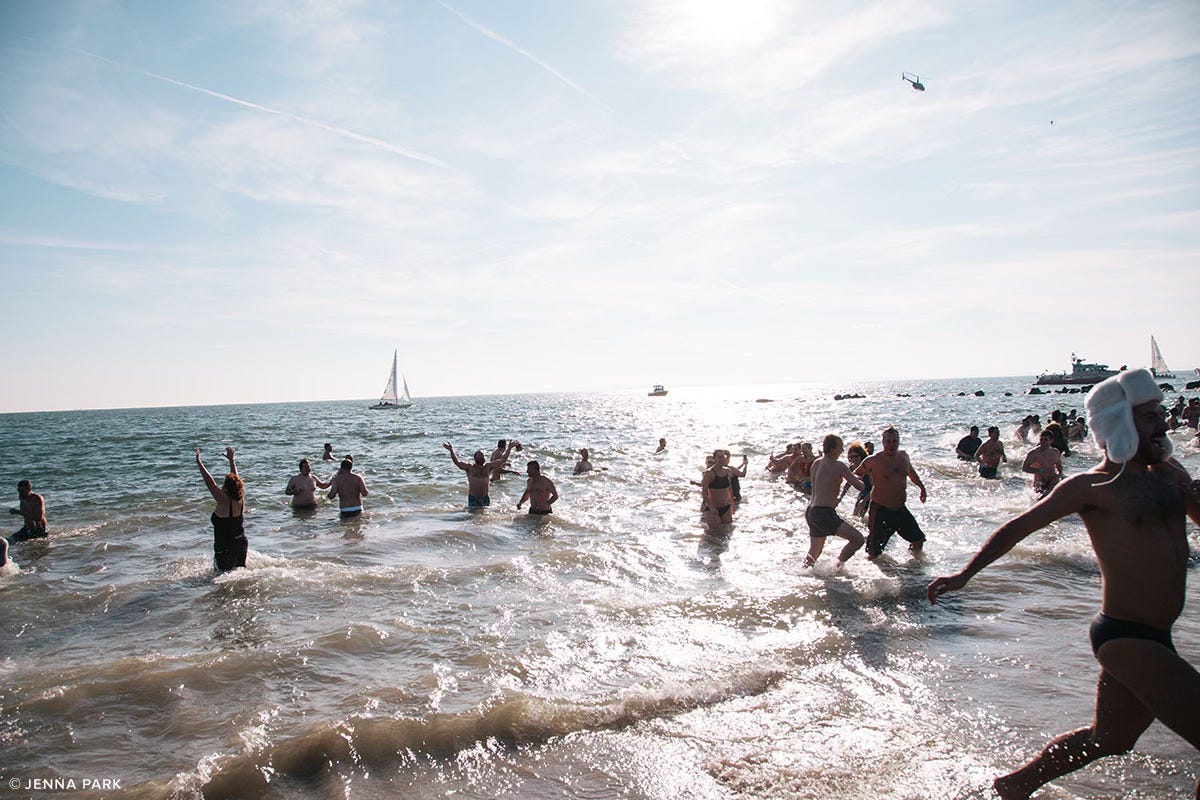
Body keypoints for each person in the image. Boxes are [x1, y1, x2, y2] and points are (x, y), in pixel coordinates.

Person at [928, 368, 1200, 800]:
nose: (1163, 423)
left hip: (1157, 636)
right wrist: (965, 575)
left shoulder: (1171, 473)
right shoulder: (1091, 487)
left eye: (1161, 413)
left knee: (1109, 740)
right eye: (1150, 416)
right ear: (1121, 425)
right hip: (1126, 636)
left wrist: (1192, 490)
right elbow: (1018, 528)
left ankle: (1013, 786)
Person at [855, 427, 928, 559]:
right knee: (873, 553)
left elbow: (911, 473)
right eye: (888, 442)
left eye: (894, 441)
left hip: (900, 509)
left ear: (899, 441)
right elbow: (855, 475)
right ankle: (871, 576)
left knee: (918, 540)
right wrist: (862, 496)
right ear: (883, 442)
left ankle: (914, 572)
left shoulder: (904, 457)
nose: (891, 445)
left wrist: (922, 488)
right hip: (880, 510)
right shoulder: (873, 460)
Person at [803, 435, 866, 569]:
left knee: (814, 552)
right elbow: (860, 487)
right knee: (858, 539)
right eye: (840, 447)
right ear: (832, 449)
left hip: (811, 511)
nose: (842, 450)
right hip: (824, 513)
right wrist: (859, 476)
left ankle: (803, 574)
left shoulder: (817, 463)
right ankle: (836, 566)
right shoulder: (839, 466)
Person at [195, 447, 247, 572]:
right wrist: (231, 461)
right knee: (239, 574)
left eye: (223, 484)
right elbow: (236, 479)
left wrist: (199, 462)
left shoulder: (223, 500)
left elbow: (210, 483)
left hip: (225, 547)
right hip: (241, 543)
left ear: (227, 488)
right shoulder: (241, 498)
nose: (221, 486)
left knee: (221, 578)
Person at [445, 440, 518, 507]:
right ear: (475, 458)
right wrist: (451, 450)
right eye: (479, 456)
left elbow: (502, 460)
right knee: (473, 517)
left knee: (485, 518)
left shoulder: (488, 467)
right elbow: (457, 462)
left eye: (482, 456)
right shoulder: (470, 468)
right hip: (473, 498)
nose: (481, 457)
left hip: (485, 498)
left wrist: (509, 448)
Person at [700, 450, 740, 528]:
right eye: (719, 457)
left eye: (723, 457)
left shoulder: (727, 471)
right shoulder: (709, 473)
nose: (722, 459)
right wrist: (711, 507)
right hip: (713, 509)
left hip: (726, 508)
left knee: (727, 532)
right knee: (713, 534)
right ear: (714, 459)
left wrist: (732, 504)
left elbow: (730, 489)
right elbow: (704, 493)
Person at [1022, 431, 1063, 498]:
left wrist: (1059, 475)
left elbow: (1059, 466)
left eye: (1046, 440)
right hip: (1040, 484)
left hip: (1053, 482)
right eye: (1041, 439)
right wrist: (1041, 471)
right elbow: (1025, 468)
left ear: (1051, 441)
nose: (1043, 442)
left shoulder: (1055, 452)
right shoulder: (1033, 453)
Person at [838, 442, 872, 518]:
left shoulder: (867, 467)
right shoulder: (851, 468)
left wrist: (864, 501)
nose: (853, 459)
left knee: (862, 515)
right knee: (855, 516)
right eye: (851, 457)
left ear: (861, 456)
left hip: (873, 494)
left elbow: (875, 487)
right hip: (863, 494)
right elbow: (847, 484)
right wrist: (840, 498)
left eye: (856, 456)